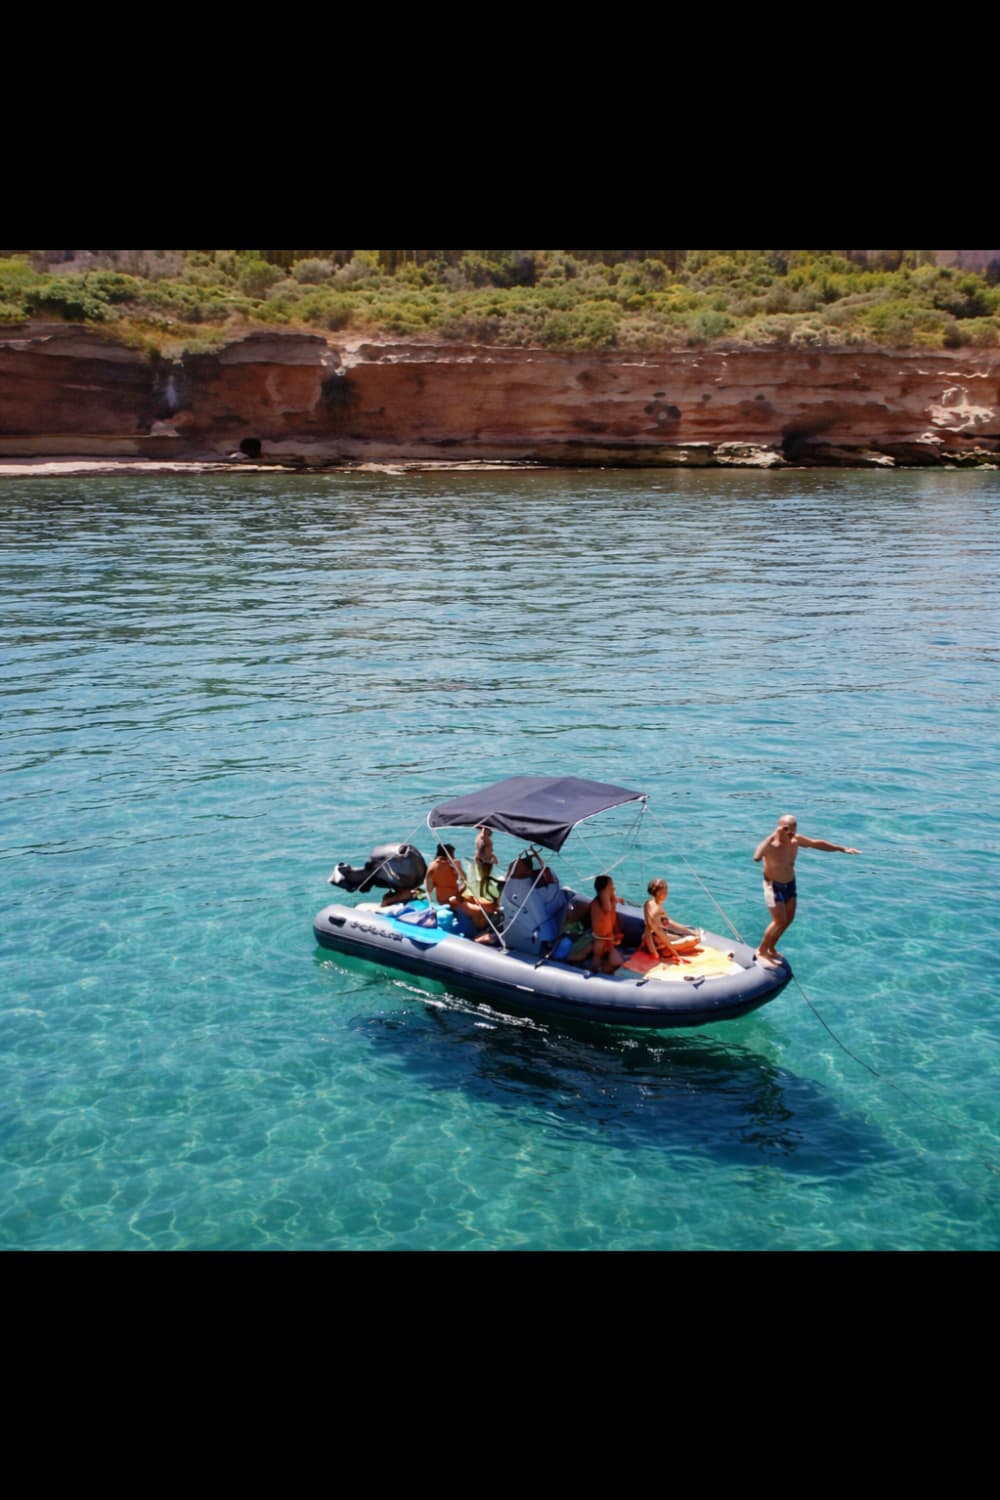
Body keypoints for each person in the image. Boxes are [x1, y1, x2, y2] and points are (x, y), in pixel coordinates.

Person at [753, 814, 861, 965]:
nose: (790, 833)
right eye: (786, 829)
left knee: (788, 920)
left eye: (793, 829)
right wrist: (773, 834)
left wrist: (842, 849)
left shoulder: (796, 841)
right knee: (779, 920)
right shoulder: (771, 845)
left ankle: (771, 947)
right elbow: (757, 856)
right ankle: (762, 950)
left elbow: (817, 843)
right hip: (773, 887)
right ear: (779, 828)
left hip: (790, 884)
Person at [425, 843, 489, 931]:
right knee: (480, 908)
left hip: (442, 902)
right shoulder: (453, 865)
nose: (454, 857)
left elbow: (429, 889)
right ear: (449, 854)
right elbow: (465, 881)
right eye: (453, 854)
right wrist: (459, 869)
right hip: (455, 903)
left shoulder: (432, 866)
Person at [643, 879, 702, 962]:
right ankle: (664, 950)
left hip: (651, 939)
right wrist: (675, 954)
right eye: (665, 891)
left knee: (689, 933)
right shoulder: (656, 910)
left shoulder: (648, 903)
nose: (667, 893)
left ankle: (665, 949)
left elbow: (665, 924)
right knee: (694, 940)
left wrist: (689, 931)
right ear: (659, 893)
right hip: (657, 942)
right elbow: (660, 933)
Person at [590, 874, 625, 973]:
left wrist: (617, 899)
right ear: (604, 889)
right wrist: (612, 897)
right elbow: (607, 908)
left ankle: (605, 968)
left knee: (617, 962)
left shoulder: (610, 901)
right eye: (611, 885)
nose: (613, 887)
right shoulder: (596, 904)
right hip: (600, 940)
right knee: (597, 959)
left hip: (609, 938)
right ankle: (592, 974)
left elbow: (611, 913)